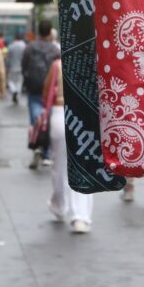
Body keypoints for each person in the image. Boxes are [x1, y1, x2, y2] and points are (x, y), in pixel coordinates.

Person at [45, 58, 93, 233]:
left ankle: (59, 205)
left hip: (60, 112)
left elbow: (46, 94)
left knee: (59, 165)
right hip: (84, 113)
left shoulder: (57, 64)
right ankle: (80, 216)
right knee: (83, 165)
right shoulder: (91, 60)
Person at [22, 20, 60, 168]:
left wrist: (26, 82)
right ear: (50, 32)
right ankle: (46, 154)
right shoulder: (55, 50)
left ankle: (36, 146)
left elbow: (24, 66)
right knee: (48, 120)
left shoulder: (30, 48)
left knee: (35, 119)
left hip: (34, 88)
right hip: (50, 91)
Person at [5, 32, 26, 105]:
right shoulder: (24, 46)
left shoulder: (11, 46)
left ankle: (14, 91)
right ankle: (16, 91)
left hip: (12, 67)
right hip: (21, 67)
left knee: (10, 81)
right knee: (19, 82)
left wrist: (6, 67)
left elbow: (8, 58)